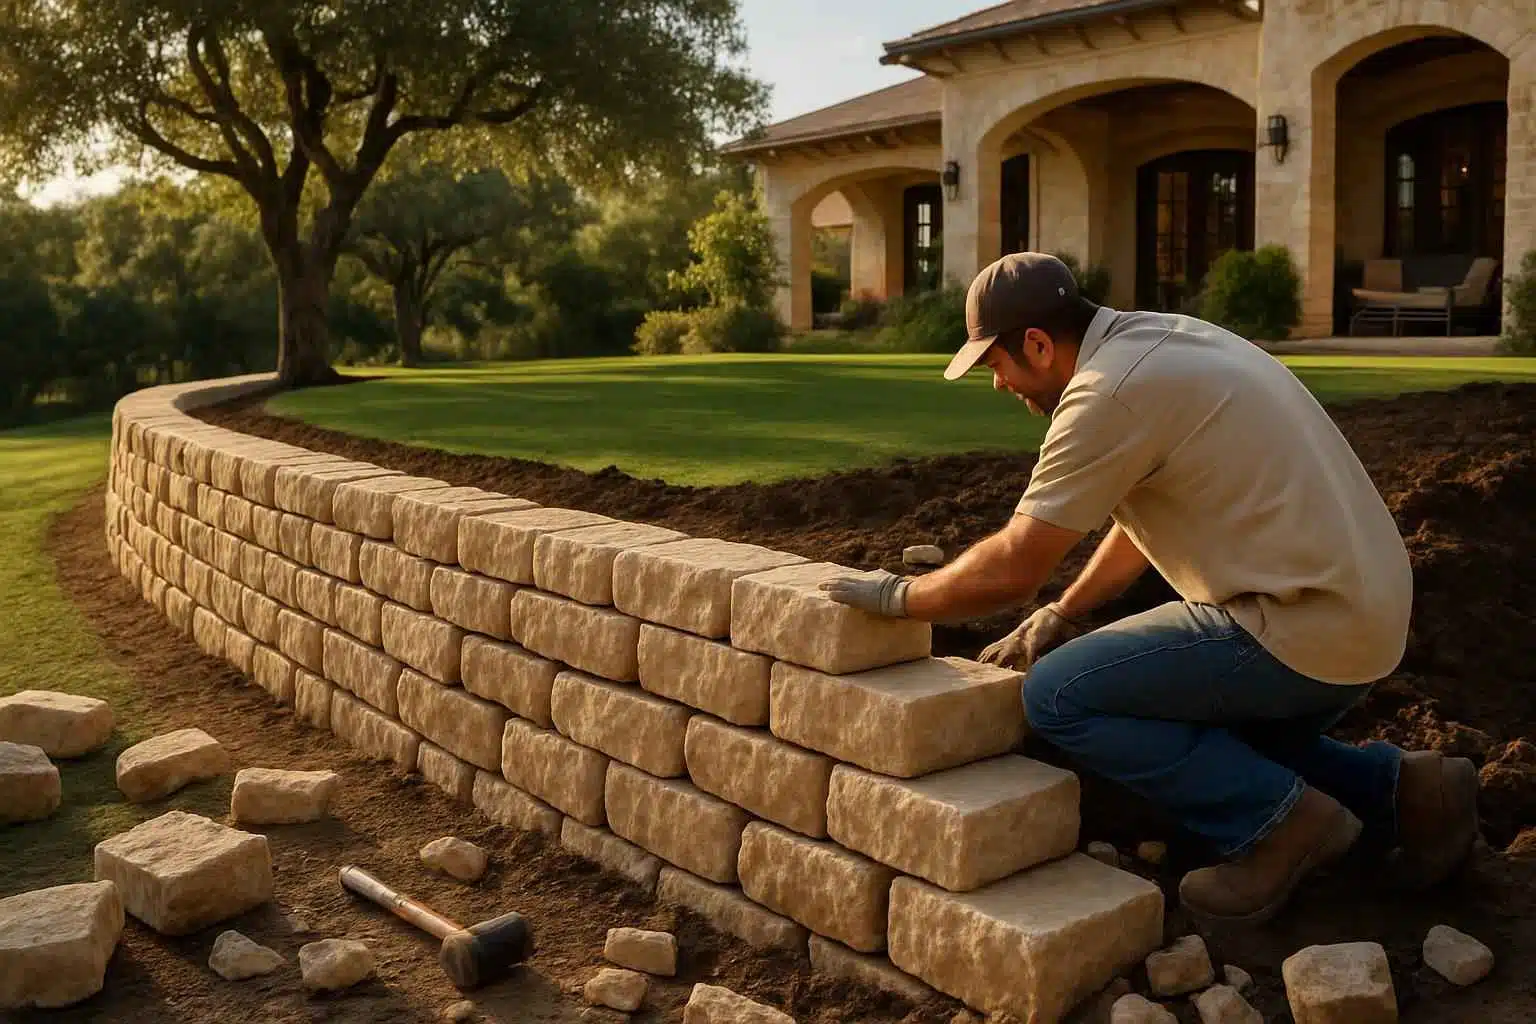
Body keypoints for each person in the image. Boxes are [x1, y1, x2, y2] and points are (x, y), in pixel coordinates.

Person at [820, 252, 1480, 926]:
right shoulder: (1163, 339)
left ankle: (1281, 828)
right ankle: (1408, 790)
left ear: (1039, 345)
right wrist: (1064, 609)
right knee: (1197, 717)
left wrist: (900, 598)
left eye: (996, 363)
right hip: (1366, 611)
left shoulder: (1107, 393)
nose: (997, 384)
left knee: (1060, 695)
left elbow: (1015, 564)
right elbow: (1141, 523)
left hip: (1300, 625)